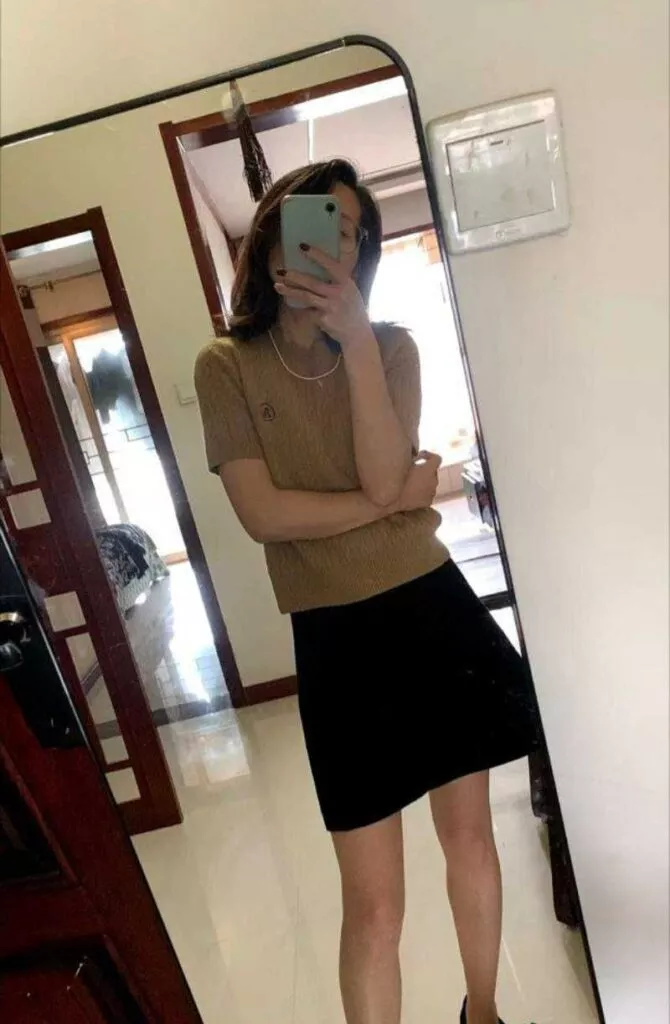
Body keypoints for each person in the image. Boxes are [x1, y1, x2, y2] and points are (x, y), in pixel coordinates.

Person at [194, 159, 539, 1024]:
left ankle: (484, 1015)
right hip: (337, 642)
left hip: (430, 609)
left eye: (349, 232)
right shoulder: (225, 365)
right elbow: (265, 515)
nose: (331, 244)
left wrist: (354, 344)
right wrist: (392, 501)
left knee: (470, 840)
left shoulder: (389, 348)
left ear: (363, 252)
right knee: (374, 904)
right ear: (271, 234)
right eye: (314, 221)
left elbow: (385, 474)